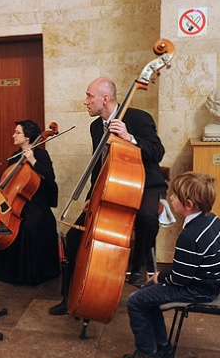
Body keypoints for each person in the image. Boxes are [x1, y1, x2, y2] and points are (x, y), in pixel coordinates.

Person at [49, 77, 167, 315]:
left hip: (144, 184)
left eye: (89, 96)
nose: (85, 102)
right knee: (73, 237)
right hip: (112, 187)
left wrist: (129, 137)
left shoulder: (137, 118)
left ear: (105, 98)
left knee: (146, 216)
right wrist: (92, 196)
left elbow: (158, 152)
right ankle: (68, 298)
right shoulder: (96, 127)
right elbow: (100, 166)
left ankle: (139, 264)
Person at [122, 171, 220, 358]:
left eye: (173, 196)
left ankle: (148, 356)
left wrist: (160, 277)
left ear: (188, 204)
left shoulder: (190, 236)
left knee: (135, 300)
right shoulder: (213, 219)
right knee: (148, 295)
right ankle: (162, 348)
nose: (170, 198)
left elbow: (180, 279)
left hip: (198, 289)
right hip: (210, 282)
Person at [0, 120, 60, 285]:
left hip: (35, 203)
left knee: (28, 226)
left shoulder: (41, 155)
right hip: (14, 202)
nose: (13, 135)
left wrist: (33, 161)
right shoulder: (14, 157)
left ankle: (26, 274)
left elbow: (50, 178)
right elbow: (7, 187)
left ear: (28, 137)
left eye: (17, 132)